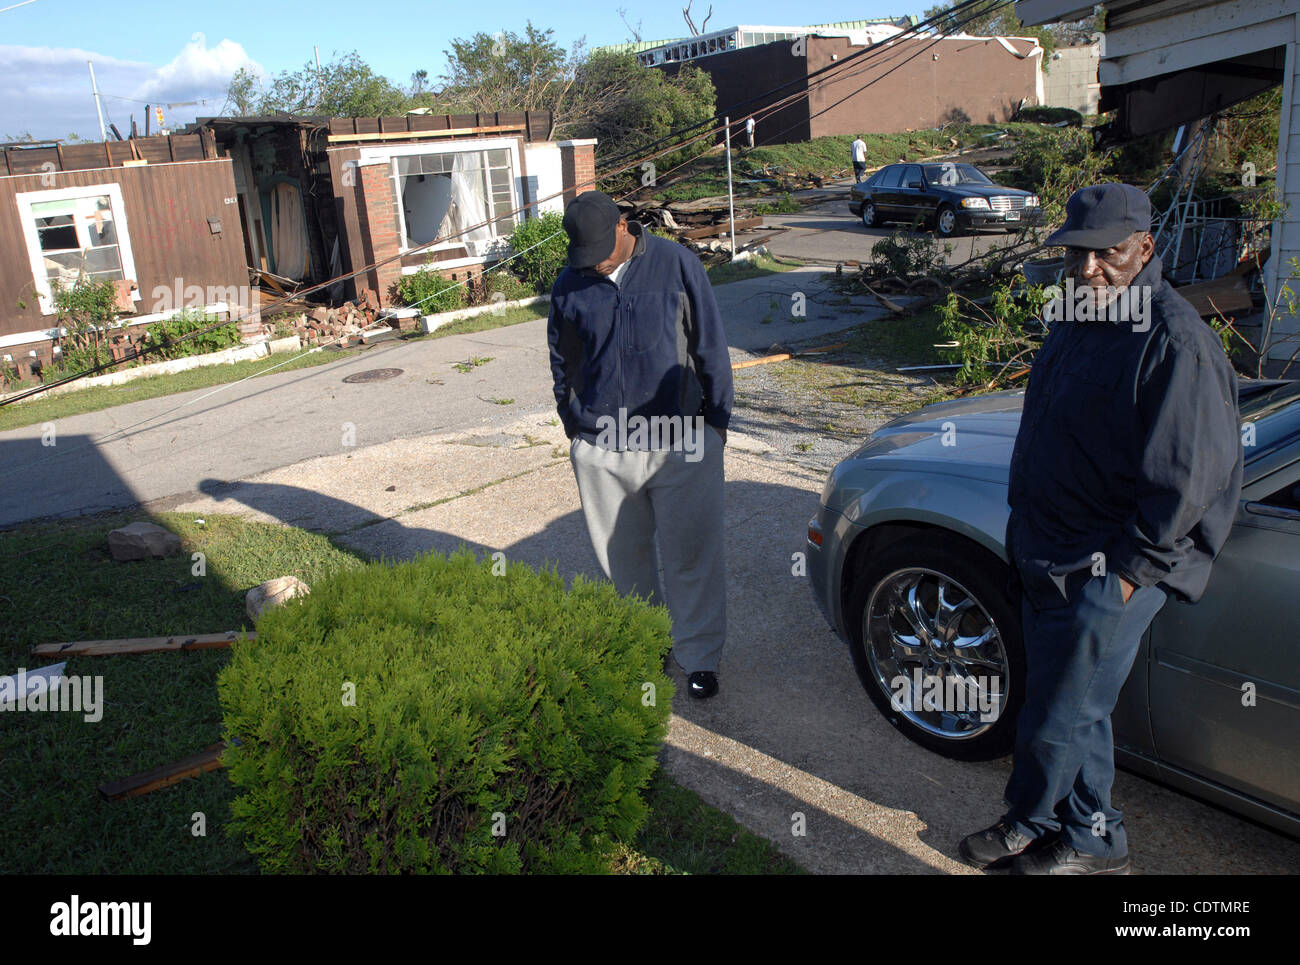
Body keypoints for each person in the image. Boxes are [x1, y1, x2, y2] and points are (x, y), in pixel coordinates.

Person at [959, 182, 1243, 874]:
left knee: (1061, 710)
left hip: (1106, 566)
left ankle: (1042, 824)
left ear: (1145, 247)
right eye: (1076, 253)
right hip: (1046, 550)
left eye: (1108, 253)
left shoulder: (1178, 342)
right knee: (1073, 705)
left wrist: (1120, 578)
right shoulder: (1080, 313)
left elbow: (1186, 481)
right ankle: (1092, 830)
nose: (1088, 268)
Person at [547, 191, 734, 699]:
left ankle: (698, 657)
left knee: (691, 556)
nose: (596, 264)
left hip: (681, 441)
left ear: (624, 226)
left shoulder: (677, 264)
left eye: (602, 253)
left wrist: (715, 421)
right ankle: (645, 644)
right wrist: (574, 425)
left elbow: (709, 344)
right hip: (602, 447)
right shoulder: (570, 283)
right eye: (585, 257)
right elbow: (562, 361)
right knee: (621, 560)